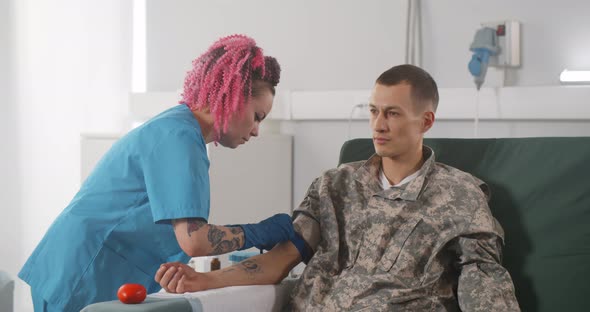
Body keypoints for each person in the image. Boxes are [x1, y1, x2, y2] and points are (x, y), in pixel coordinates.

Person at [156, 64, 521, 311]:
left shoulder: (459, 195)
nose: (378, 124)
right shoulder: (334, 185)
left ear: (426, 120)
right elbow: (280, 260)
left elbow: (485, 283)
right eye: (374, 111)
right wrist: (204, 280)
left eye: (392, 113)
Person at [19, 34, 296, 312]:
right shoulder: (179, 138)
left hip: (81, 268)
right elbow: (195, 240)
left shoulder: (180, 131)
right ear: (233, 95)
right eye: (257, 116)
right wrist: (262, 231)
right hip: (80, 273)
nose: (257, 130)